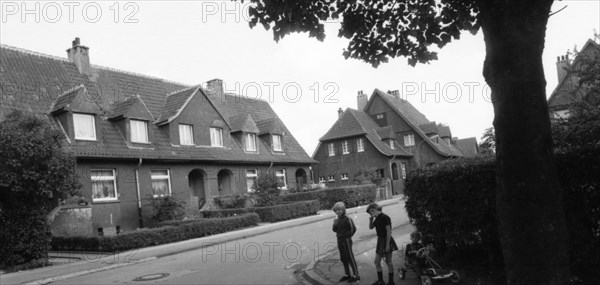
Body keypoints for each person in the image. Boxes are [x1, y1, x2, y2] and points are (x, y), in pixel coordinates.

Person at [367, 202, 398, 285]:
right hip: (380, 241)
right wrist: (370, 220)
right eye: (370, 212)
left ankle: (391, 282)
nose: (371, 213)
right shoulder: (376, 218)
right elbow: (371, 227)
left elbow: (389, 232)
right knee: (377, 262)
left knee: (388, 262)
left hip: (387, 240)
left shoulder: (385, 217)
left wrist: (387, 245)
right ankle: (381, 281)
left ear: (377, 208)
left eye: (372, 210)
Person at [332, 202, 360, 282]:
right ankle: (347, 274)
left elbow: (353, 229)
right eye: (336, 210)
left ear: (343, 210)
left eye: (339, 210)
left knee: (350, 257)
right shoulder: (337, 219)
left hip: (346, 240)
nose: (338, 211)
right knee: (343, 258)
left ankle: (356, 275)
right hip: (339, 240)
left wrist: (346, 236)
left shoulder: (347, 218)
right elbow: (335, 230)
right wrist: (334, 224)